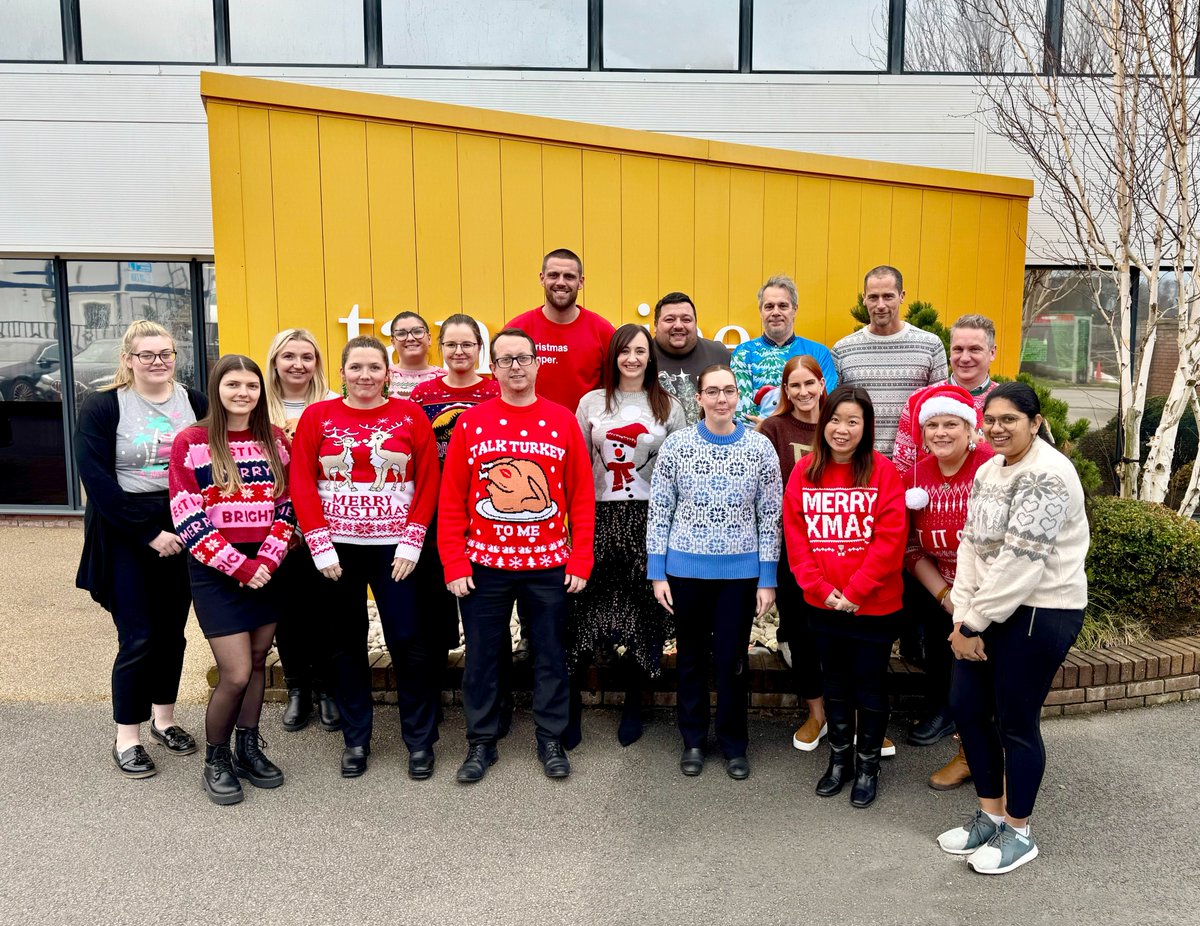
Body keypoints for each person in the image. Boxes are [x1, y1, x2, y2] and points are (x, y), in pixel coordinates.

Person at [936, 382, 1088, 875]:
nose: (998, 428)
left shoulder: (1049, 474)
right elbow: (972, 546)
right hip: (986, 610)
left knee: (1015, 722)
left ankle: (1018, 831)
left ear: (1035, 422)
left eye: (1010, 420)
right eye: (992, 419)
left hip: (1043, 610)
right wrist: (962, 616)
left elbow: (1021, 561)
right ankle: (989, 814)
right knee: (967, 707)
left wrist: (975, 621)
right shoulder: (987, 469)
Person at [438, 327, 595, 783]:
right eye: (505, 360)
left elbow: (581, 495)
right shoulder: (472, 422)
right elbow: (453, 499)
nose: (515, 367)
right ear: (494, 367)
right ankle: (482, 741)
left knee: (550, 654)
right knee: (484, 657)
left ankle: (550, 737)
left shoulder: (562, 420)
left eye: (523, 358)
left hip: (548, 564)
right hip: (484, 566)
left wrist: (580, 558)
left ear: (536, 363)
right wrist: (454, 561)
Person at [290, 335, 442, 781]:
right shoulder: (318, 417)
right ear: (341, 372)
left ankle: (419, 740)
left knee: (408, 643)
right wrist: (318, 542)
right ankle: (356, 738)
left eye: (374, 367)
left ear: (387, 373)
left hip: (397, 552)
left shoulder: (409, 415)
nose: (365, 376)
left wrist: (413, 541)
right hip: (337, 552)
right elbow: (301, 479)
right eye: (356, 367)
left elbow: (429, 479)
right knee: (344, 646)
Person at [75, 320, 207, 779]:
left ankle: (164, 720)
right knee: (138, 635)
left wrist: (194, 525)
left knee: (172, 632)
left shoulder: (195, 402)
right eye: (147, 354)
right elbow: (95, 479)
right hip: (124, 530)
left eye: (166, 353)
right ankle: (126, 736)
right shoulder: (104, 405)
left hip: (183, 524)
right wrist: (148, 533)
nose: (158, 362)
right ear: (128, 359)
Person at [169, 354, 295, 805]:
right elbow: (188, 516)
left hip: (268, 567)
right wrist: (240, 567)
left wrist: (268, 559)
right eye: (233, 385)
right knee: (237, 671)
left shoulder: (275, 440)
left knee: (260, 659)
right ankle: (216, 759)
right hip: (217, 571)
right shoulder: (193, 441)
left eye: (251, 386)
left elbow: (288, 509)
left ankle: (248, 746)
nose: (243, 393)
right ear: (217, 389)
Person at [648, 365, 781, 781]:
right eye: (712, 392)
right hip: (685, 571)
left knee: (731, 662)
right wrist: (658, 572)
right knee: (689, 659)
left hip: (739, 576)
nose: (721, 399)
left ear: (737, 396)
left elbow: (770, 514)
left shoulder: (760, 448)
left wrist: (767, 577)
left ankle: (733, 742)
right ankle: (692, 740)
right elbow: (660, 509)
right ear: (700, 398)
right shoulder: (677, 446)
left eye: (728, 391)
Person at [783, 385, 906, 808]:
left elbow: (891, 541)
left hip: (874, 605)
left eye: (853, 421)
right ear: (824, 423)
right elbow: (796, 538)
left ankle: (868, 765)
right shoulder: (805, 472)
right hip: (823, 605)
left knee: (869, 685)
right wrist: (820, 589)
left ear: (866, 427)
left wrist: (855, 593)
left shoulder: (883, 472)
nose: (842, 429)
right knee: (834, 685)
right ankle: (839, 760)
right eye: (835, 419)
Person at [570, 324, 687, 747]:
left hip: (649, 519)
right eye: (625, 351)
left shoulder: (668, 405)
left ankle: (635, 705)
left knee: (642, 613)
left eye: (640, 351)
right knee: (583, 610)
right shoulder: (591, 403)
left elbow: (677, 472)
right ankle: (572, 708)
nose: (632, 358)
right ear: (614, 356)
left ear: (650, 357)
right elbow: (579, 467)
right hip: (600, 518)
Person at [899, 384, 995, 785]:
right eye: (932, 425)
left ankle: (986, 755)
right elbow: (910, 547)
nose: (941, 432)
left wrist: (974, 604)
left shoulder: (993, 468)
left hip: (995, 590)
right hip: (946, 590)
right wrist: (945, 597)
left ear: (971, 428)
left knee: (991, 679)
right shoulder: (914, 476)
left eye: (951, 424)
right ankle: (969, 752)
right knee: (956, 675)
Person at [409, 315, 501, 700]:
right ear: (440, 348)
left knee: (484, 606)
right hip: (434, 509)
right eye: (451, 344)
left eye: (468, 344)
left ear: (480, 349)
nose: (459, 351)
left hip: (487, 510)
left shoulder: (496, 392)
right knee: (434, 604)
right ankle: (436, 691)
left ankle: (492, 695)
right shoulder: (421, 396)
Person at [262, 328, 342, 734]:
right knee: (288, 610)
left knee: (325, 608)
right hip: (275, 525)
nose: (298, 364)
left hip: (326, 521)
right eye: (289, 356)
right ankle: (298, 689)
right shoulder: (260, 406)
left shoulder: (331, 404)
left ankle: (328, 689)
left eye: (307, 357)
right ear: (275, 361)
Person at [757, 355, 827, 751]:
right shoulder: (774, 428)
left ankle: (849, 713)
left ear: (821, 384)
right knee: (800, 632)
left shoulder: (839, 424)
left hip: (837, 548)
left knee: (838, 634)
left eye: (809, 383)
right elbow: (767, 494)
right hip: (791, 548)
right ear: (786, 391)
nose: (802, 392)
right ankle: (816, 713)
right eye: (794, 385)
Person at [831, 266, 948, 457]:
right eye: (873, 297)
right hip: (860, 460)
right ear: (864, 298)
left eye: (888, 296)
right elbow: (834, 412)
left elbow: (940, 407)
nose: (880, 305)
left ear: (902, 296)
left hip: (914, 462)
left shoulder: (930, 345)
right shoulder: (843, 350)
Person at [893, 314, 999, 478]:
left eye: (974, 349)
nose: (964, 358)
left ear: (992, 352)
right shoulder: (920, 400)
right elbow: (902, 466)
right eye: (958, 349)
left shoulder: (1005, 403)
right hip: (930, 500)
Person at [509, 248, 616, 411]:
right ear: (542, 278)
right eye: (553, 275)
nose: (560, 282)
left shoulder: (603, 332)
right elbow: (501, 387)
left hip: (583, 433)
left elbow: (615, 389)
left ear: (581, 282)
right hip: (527, 432)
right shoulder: (517, 330)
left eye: (569, 276)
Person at [730, 274, 838, 424]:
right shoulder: (743, 353)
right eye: (769, 306)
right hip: (757, 437)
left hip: (807, 438)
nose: (775, 312)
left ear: (795, 309)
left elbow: (827, 402)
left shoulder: (819, 353)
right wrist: (771, 429)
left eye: (782, 306)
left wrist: (786, 430)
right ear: (760, 311)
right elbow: (740, 406)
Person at [651, 292, 731, 426]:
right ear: (655, 325)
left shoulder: (719, 354)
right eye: (669, 319)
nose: (678, 325)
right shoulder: (641, 359)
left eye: (686, 320)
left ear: (695, 323)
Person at [386, 310, 446, 400]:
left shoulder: (445, 378)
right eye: (401, 334)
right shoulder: (382, 377)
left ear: (429, 339)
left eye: (417, 332)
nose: (410, 338)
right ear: (393, 342)